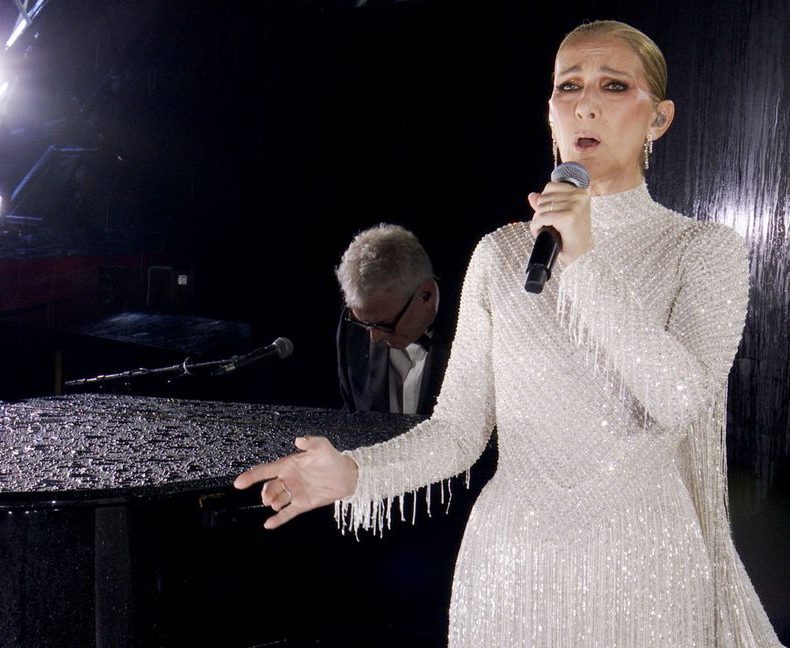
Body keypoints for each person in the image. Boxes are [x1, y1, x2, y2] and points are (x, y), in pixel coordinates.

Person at [235, 19, 785, 647]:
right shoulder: (500, 254)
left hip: (646, 572)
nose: (585, 103)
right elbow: (459, 431)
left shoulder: (702, 250)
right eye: (568, 86)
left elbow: (682, 400)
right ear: (550, 110)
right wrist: (356, 475)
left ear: (658, 119)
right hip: (510, 572)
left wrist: (584, 263)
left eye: (612, 85)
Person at [335, 223, 453, 416]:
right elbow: (354, 417)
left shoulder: (477, 328)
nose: (374, 338)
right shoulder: (356, 323)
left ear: (426, 295)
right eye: (364, 323)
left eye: (385, 324)